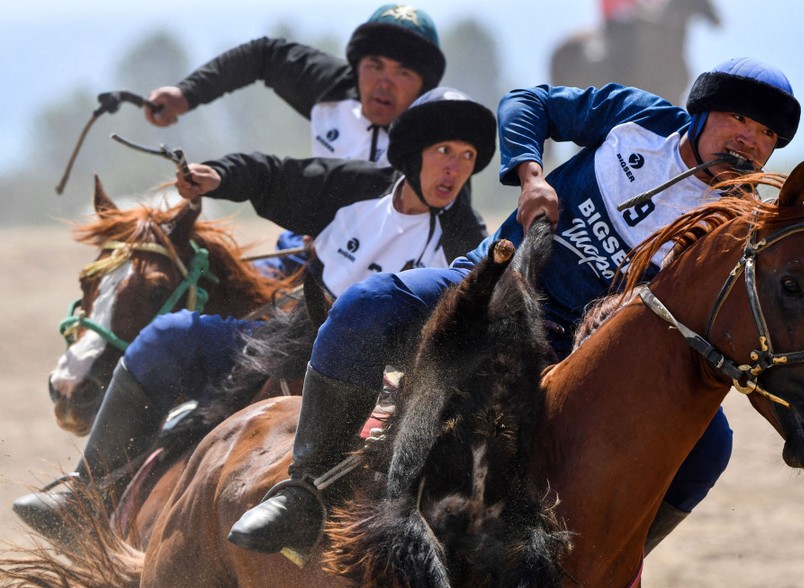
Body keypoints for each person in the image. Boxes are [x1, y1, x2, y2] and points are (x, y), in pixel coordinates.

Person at [226, 57, 804, 559]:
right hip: (488, 292)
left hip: (590, 356)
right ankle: (304, 490)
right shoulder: (638, 119)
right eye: (739, 120)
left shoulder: (740, 223)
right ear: (702, 114)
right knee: (366, 305)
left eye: (766, 134)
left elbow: (769, 319)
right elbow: (529, 103)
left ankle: (606, 575)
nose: (749, 141)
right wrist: (531, 177)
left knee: (711, 447)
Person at [13, 88, 497, 545]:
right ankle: (85, 492)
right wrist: (219, 176)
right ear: (413, 153)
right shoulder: (357, 186)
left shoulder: (465, 238)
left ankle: (305, 509)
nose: (454, 168)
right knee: (168, 336)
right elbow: (275, 173)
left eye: (467, 156)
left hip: (367, 375)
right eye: (444, 151)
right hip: (289, 331)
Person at [144, 3, 449, 276]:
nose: (384, 83)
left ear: (423, 86)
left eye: (403, 73)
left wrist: (340, 240)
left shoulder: (441, 145)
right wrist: (187, 93)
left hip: (380, 273)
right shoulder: (332, 84)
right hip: (303, 246)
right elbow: (264, 56)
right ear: (358, 66)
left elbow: (436, 236)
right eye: (375, 65)